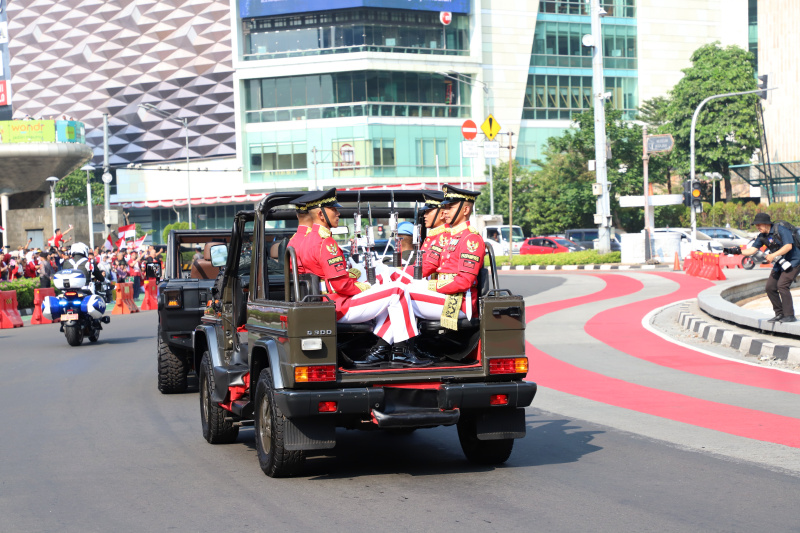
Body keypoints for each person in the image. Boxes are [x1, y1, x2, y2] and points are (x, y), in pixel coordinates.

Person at [294, 188, 429, 367]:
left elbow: (325, 275)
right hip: (338, 304)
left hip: (327, 302)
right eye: (334, 209)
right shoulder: (325, 242)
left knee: (389, 293)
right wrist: (363, 286)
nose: (338, 213)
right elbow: (341, 285)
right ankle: (402, 350)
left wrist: (355, 280)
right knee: (398, 290)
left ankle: (379, 350)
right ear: (320, 214)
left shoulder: (305, 239)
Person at [405, 185, 485, 330]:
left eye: (450, 207)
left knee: (398, 296)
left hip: (458, 301)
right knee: (398, 292)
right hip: (446, 294)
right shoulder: (450, 237)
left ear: (466, 210)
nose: (445, 211)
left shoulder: (471, 238)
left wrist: (428, 286)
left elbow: (463, 282)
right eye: (445, 207)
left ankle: (399, 349)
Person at [729, 213, 800, 323]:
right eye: (756, 225)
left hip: (794, 261)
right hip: (780, 263)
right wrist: (736, 251)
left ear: (767, 224)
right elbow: (752, 250)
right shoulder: (762, 236)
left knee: (782, 285)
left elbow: (788, 246)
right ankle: (780, 314)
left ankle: (789, 315)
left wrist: (773, 255)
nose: (757, 227)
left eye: (759, 224)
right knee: (770, 287)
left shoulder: (781, 230)